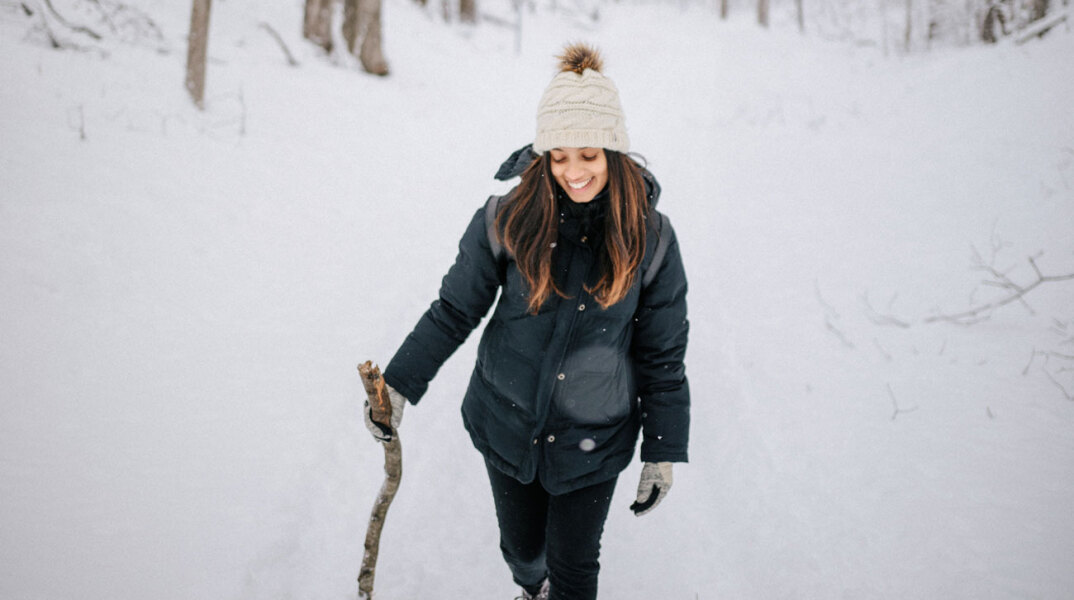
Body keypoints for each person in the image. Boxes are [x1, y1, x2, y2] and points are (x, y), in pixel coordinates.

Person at [363, 42, 690, 600]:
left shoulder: (651, 238)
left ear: (613, 151)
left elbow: (662, 355)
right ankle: (531, 587)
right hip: (506, 419)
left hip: (595, 434)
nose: (573, 172)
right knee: (522, 550)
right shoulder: (507, 219)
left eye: (588, 155)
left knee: (575, 565)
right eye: (558, 157)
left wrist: (661, 449)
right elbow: (455, 310)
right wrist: (395, 387)